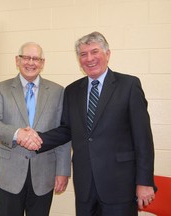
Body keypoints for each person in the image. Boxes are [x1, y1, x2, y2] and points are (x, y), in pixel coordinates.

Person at [20, 32, 156, 216]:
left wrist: (145, 181)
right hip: (85, 186)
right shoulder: (72, 90)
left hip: (120, 185)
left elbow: (143, 138)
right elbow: (66, 130)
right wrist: (34, 139)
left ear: (107, 54)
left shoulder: (129, 85)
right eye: (83, 54)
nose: (89, 58)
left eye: (95, 52)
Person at [0, 42, 71, 216]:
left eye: (36, 59)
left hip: (44, 176)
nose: (31, 62)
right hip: (9, 176)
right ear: (17, 60)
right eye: (26, 58)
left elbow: (63, 134)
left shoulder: (58, 91)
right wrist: (17, 134)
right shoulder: (1, 89)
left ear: (42, 63)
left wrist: (62, 171)